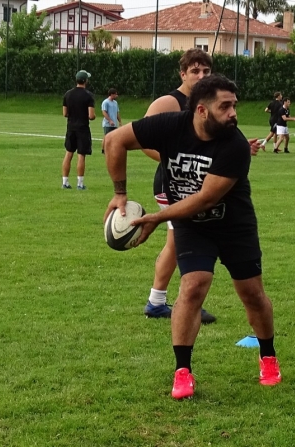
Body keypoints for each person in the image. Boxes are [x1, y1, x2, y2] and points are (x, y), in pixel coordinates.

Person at [103, 74, 281, 400]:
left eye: (234, 106)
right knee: (193, 284)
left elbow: (206, 198)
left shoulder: (235, 146)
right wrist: (120, 194)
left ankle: (268, 355)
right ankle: (182, 371)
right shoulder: (170, 125)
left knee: (252, 294)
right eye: (224, 106)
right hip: (192, 226)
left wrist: (157, 217)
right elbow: (114, 140)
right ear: (201, 110)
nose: (233, 114)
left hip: (233, 225)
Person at [141, 49, 216, 324]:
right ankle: (178, 302)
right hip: (170, 184)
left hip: (195, 185)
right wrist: (176, 160)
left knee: (177, 241)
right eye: (195, 71)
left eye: (206, 72)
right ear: (182, 74)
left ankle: (158, 301)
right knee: (183, 239)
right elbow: (143, 141)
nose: (200, 76)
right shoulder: (169, 102)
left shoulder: (207, 103)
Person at [62, 70, 95, 190]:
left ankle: (65, 181)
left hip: (71, 127)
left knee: (68, 153)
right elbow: (91, 115)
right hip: (82, 128)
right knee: (81, 155)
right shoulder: (88, 95)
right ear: (85, 80)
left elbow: (65, 113)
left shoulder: (68, 94)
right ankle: (80, 183)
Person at [101, 88, 122, 154]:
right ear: (111, 94)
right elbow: (104, 112)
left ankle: (112, 149)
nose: (116, 95)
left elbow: (117, 113)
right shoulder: (106, 102)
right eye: (115, 94)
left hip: (114, 124)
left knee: (114, 137)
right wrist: (110, 120)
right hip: (107, 124)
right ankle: (104, 150)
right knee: (106, 136)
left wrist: (120, 121)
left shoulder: (115, 103)